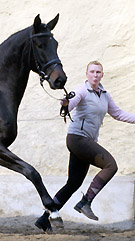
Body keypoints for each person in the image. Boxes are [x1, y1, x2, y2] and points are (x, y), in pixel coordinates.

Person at [35, 61, 135, 232]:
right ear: (87, 74)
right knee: (111, 165)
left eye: (98, 72)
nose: (95, 75)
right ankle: (85, 202)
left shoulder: (104, 95)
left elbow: (118, 114)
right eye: (92, 72)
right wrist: (66, 104)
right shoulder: (82, 90)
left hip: (85, 141)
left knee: (73, 183)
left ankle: (45, 218)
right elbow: (72, 102)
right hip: (77, 139)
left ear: (102, 75)